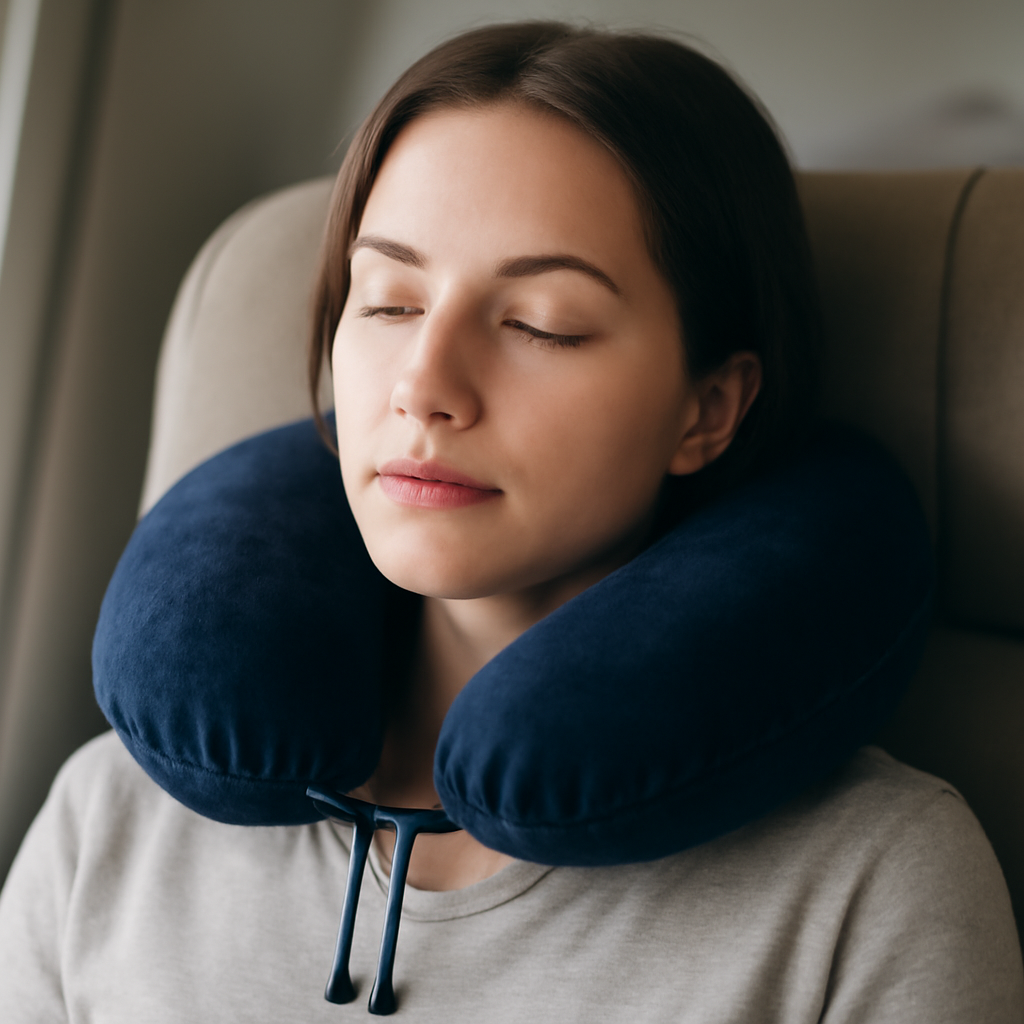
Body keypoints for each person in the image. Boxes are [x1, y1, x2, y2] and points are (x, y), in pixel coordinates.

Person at [0, 21, 1021, 1022]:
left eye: (541, 324)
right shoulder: (110, 820)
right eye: (389, 302)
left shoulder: (871, 890)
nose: (424, 386)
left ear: (707, 410)